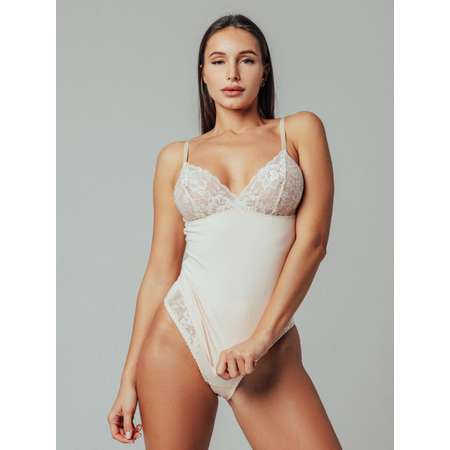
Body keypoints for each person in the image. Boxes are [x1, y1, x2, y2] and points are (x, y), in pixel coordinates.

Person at [108, 13, 340, 449]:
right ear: (203, 74)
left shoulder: (299, 131)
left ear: (264, 70)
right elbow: (160, 269)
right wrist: (128, 379)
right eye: (218, 61)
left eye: (246, 60)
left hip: (266, 347)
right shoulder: (176, 158)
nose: (232, 73)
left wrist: (259, 340)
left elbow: (313, 243)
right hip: (178, 338)